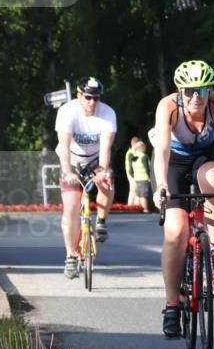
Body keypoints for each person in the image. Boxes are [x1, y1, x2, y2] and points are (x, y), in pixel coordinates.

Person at [153, 59, 214, 338]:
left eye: (202, 90)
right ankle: (172, 305)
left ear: (210, 91)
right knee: (176, 232)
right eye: (190, 91)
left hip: (206, 157)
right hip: (174, 164)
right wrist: (160, 185)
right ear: (179, 92)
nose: (196, 97)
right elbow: (162, 151)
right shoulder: (168, 106)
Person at [55, 77, 116, 279]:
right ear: (79, 96)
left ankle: (101, 221)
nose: (92, 102)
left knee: (107, 181)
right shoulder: (67, 111)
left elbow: (106, 147)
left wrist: (103, 171)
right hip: (71, 160)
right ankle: (70, 256)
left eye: (96, 98)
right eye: (88, 97)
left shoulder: (107, 113)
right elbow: (64, 146)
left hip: (95, 159)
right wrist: (67, 171)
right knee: (71, 208)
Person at [126, 139, 153, 212]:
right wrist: (150, 177)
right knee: (143, 195)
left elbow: (131, 168)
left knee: (137, 195)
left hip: (137, 178)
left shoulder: (134, 157)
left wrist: (133, 175)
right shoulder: (143, 156)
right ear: (142, 147)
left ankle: (136, 209)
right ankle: (145, 209)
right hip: (144, 178)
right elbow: (147, 168)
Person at [124, 137, 140, 206]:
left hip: (132, 174)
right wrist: (133, 174)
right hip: (132, 174)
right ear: (134, 144)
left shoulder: (132, 152)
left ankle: (134, 205)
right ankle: (130, 206)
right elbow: (131, 164)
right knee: (133, 190)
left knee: (135, 191)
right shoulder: (131, 153)